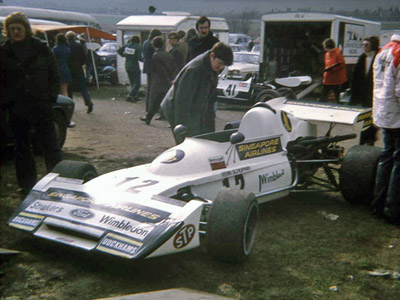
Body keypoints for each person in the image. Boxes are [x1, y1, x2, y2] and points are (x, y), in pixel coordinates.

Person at [0, 12, 63, 193]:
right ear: (8, 31)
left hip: (41, 105)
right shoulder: (4, 51)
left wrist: (51, 96)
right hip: (17, 106)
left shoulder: (41, 48)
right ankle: (27, 185)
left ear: (26, 29)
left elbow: (54, 75)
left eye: (19, 28)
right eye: (12, 29)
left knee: (50, 146)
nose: (16, 32)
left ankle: (57, 183)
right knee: (22, 148)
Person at [161, 42, 233, 144]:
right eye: (220, 63)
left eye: (224, 66)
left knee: (202, 140)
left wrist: (210, 132)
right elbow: (182, 103)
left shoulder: (212, 66)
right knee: (189, 144)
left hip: (194, 105)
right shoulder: (194, 70)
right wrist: (183, 131)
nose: (221, 68)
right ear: (212, 55)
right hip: (177, 107)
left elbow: (209, 101)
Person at [370, 33, 400, 225]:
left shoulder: (383, 50)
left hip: (383, 111)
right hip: (396, 114)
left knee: (386, 158)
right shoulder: (398, 53)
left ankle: (377, 204)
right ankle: (392, 209)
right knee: (398, 162)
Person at [350, 36, 380, 145]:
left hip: (374, 93)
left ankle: (370, 139)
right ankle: (364, 140)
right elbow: (356, 77)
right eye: (363, 45)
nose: (364, 47)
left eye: (366, 45)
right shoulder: (362, 58)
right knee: (364, 118)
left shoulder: (379, 57)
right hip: (363, 94)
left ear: (373, 46)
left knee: (372, 117)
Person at [139, 36, 177, 125]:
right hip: (169, 81)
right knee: (166, 102)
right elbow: (174, 68)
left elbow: (159, 71)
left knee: (157, 101)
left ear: (154, 45)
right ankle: (149, 117)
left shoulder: (156, 56)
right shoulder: (168, 55)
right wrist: (172, 79)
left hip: (160, 82)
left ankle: (149, 118)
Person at [66, 31, 93, 113]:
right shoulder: (79, 46)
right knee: (83, 87)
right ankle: (88, 102)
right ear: (74, 37)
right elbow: (84, 57)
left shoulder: (66, 46)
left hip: (69, 69)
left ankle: (70, 106)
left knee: (69, 88)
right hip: (78, 68)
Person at [321, 38, 347, 103]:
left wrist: (331, 69)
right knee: (325, 91)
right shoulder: (327, 54)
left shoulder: (337, 54)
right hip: (328, 77)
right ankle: (323, 101)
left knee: (336, 92)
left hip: (335, 77)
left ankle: (338, 102)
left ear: (327, 46)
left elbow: (341, 64)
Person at [117, 35, 143, 103]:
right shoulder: (137, 47)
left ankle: (134, 96)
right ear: (138, 41)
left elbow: (119, 50)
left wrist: (124, 55)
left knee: (132, 82)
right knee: (137, 83)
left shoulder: (127, 45)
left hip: (127, 65)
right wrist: (146, 60)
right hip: (134, 66)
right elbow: (139, 58)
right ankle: (130, 96)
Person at [142, 29, 162, 112]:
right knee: (153, 88)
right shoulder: (152, 44)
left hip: (146, 66)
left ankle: (148, 107)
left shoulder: (145, 42)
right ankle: (152, 107)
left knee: (149, 87)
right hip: (153, 68)